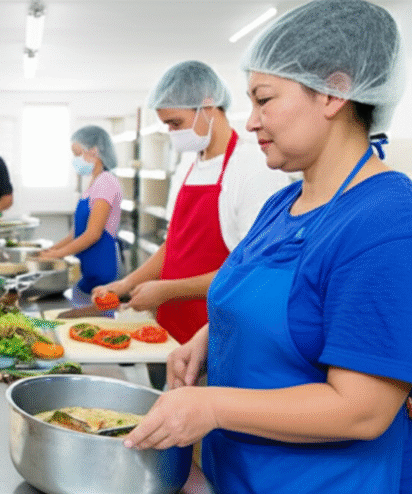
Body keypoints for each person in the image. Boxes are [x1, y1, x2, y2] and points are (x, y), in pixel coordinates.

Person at [124, 1, 412, 493]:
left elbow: (362, 409)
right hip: (234, 475)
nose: (251, 121)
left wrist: (211, 406)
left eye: (264, 99)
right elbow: (278, 308)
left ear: (334, 93)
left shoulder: (384, 221)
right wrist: (210, 339)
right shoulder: (282, 205)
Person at [93, 61, 290, 344]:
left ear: (207, 107)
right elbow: (174, 243)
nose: (173, 133)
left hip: (218, 331)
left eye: (176, 123)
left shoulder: (252, 167)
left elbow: (253, 269)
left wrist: (167, 290)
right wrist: (127, 284)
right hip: (169, 326)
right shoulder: (188, 162)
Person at [39, 125, 122, 296]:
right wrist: (50, 251)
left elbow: (93, 234)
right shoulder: (94, 183)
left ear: (94, 151)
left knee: (97, 321)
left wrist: (58, 255)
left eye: (77, 154)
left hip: (101, 269)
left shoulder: (106, 182)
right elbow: (76, 233)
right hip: (87, 268)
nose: (75, 160)